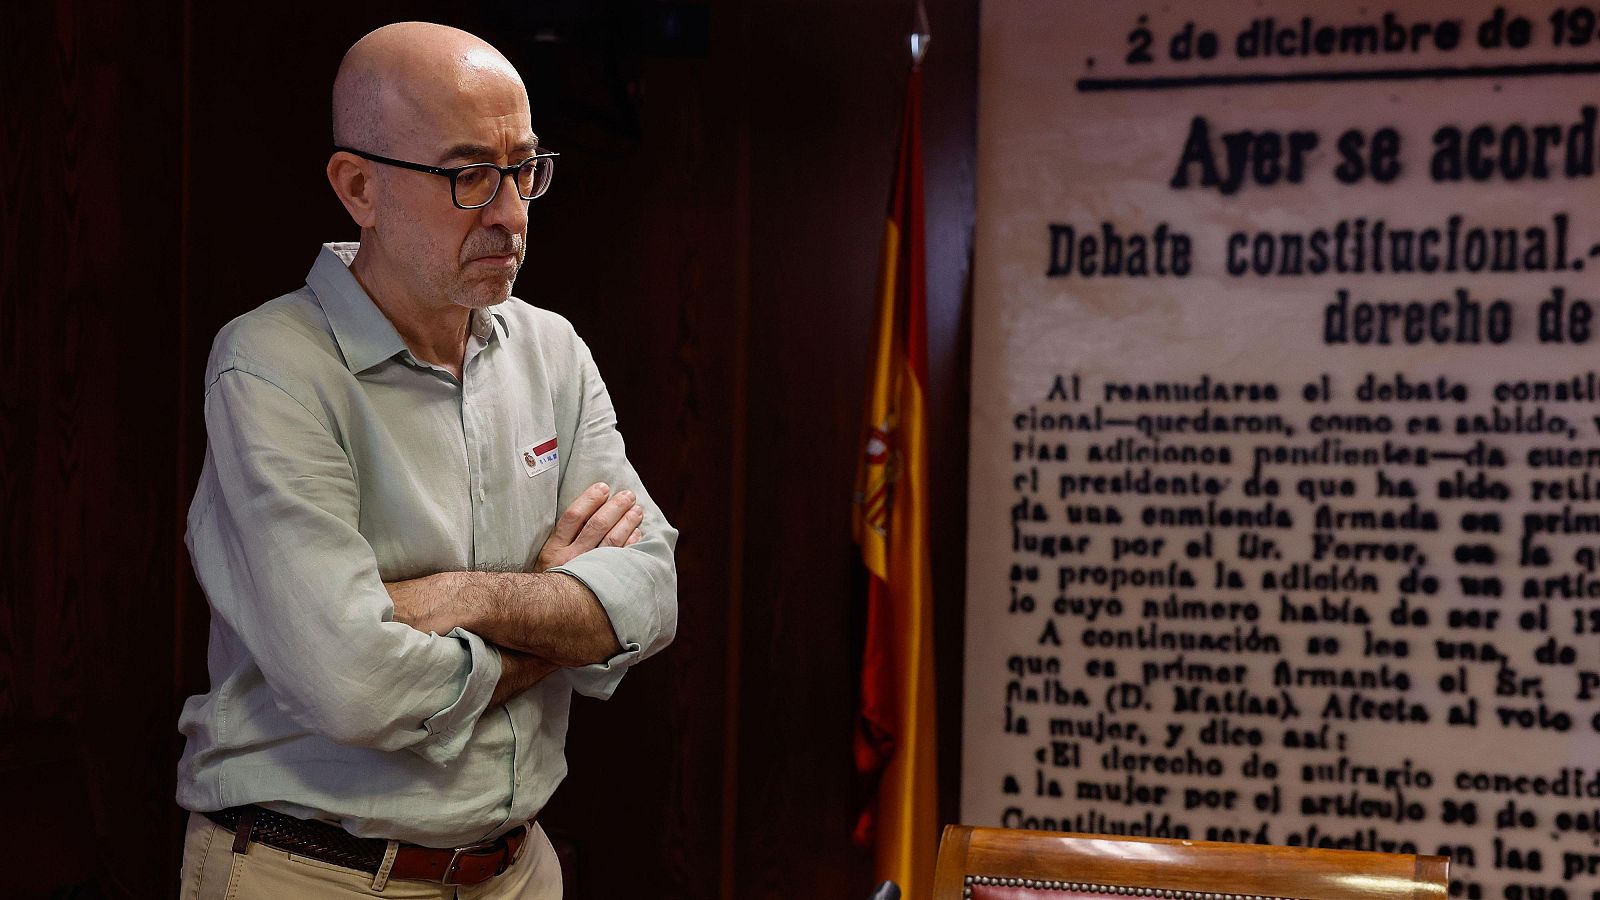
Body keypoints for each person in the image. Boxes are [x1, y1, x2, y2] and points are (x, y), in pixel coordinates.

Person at [174, 21, 677, 899]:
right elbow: (355, 684)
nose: (512, 213)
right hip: (312, 871)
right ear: (358, 187)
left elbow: (651, 594)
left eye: (524, 168)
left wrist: (461, 598)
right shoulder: (270, 367)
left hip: (519, 869)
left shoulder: (552, 350)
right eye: (469, 176)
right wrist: (554, 624)